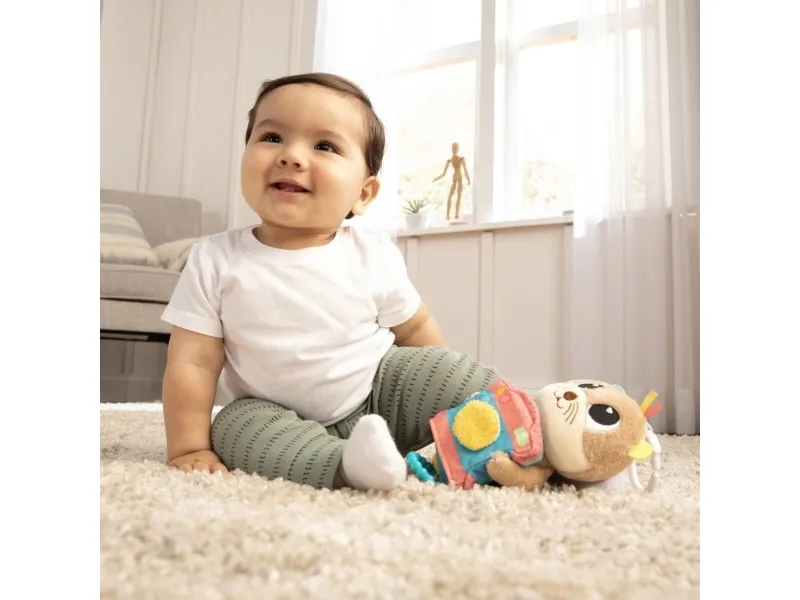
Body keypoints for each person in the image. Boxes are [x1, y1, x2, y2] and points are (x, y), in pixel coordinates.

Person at [160, 73, 510, 491]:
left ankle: (521, 423)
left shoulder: (371, 253)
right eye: (271, 137)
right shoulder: (214, 258)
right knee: (235, 427)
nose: (291, 156)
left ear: (363, 193)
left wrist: (443, 397)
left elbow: (416, 330)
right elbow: (193, 363)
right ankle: (348, 466)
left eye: (324, 146)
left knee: (449, 371)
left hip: (379, 396)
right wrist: (189, 448)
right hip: (276, 417)